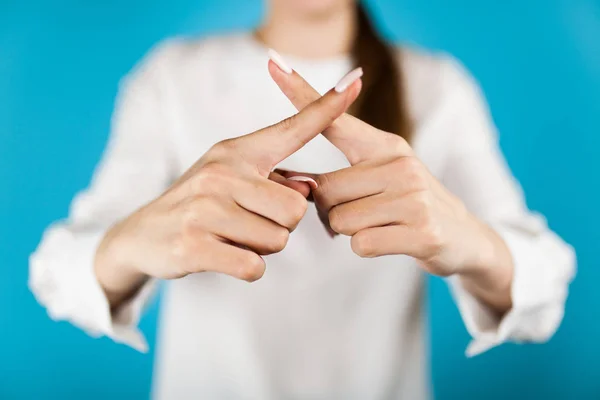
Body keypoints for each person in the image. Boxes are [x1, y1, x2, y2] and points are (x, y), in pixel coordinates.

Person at [29, 0, 576, 398]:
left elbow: (544, 285)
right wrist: (130, 243)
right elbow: (59, 271)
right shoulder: (173, 77)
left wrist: (471, 239)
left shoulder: (439, 87)